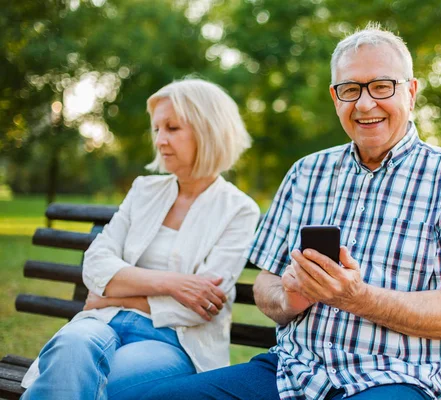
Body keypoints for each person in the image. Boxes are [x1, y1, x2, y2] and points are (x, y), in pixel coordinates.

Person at [141, 23, 441, 400]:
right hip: (289, 372)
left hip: (394, 379)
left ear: (410, 92)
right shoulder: (305, 172)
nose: (365, 104)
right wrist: (289, 298)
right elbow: (265, 284)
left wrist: (355, 297)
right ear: (336, 98)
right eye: (350, 90)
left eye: (382, 86)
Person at [20, 78, 261, 399]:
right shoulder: (144, 190)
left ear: (209, 130)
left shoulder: (238, 209)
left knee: (84, 380)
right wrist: (172, 284)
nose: (160, 140)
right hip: (102, 319)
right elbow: (96, 264)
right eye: (156, 129)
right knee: (71, 344)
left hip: (175, 340)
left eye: (172, 128)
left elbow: (200, 306)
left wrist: (114, 294)